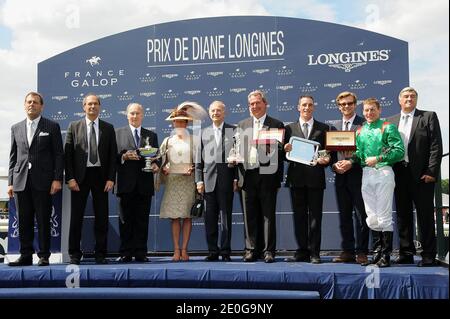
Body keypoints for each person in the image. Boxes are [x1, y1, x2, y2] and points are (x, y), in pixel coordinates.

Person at [7, 92, 64, 266]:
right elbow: (13, 157)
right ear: (25, 105)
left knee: (43, 219)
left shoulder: (52, 126)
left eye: (35, 102)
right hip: (20, 181)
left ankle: (44, 255)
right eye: (29, 102)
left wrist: (57, 179)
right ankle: (25, 255)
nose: (32, 104)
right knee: (23, 220)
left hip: (44, 181)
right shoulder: (16, 127)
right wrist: (10, 182)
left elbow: (58, 155)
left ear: (42, 106)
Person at [390, 87, 443, 267]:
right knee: (403, 216)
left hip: (422, 175)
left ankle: (428, 254)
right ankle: (406, 252)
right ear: (399, 100)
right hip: (398, 174)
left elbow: (436, 146)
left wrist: (431, 171)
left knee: (425, 216)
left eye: (413, 96)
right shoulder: (390, 121)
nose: (409, 98)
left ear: (417, 100)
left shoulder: (428, 116)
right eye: (405, 96)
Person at [65, 94, 117, 265]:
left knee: (102, 217)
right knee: (76, 217)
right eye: (89, 104)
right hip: (80, 178)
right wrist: (70, 178)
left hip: (101, 178)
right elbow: (68, 155)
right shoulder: (74, 126)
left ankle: (100, 254)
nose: (92, 107)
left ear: (100, 106)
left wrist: (111, 178)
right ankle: (74, 253)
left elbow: (112, 156)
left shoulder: (108, 128)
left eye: (95, 104)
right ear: (84, 107)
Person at [353, 98, 404, 267]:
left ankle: (386, 255)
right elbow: (359, 153)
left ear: (379, 110)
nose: (369, 113)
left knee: (384, 216)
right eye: (366, 110)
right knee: (372, 216)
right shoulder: (360, 131)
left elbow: (399, 151)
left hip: (383, 172)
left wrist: (380, 158)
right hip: (366, 174)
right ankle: (376, 253)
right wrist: (347, 160)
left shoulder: (387, 127)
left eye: (372, 109)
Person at [236, 90, 284, 263]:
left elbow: (280, 153)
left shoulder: (276, 124)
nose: (254, 106)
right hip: (246, 176)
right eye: (251, 104)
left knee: (268, 216)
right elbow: (237, 150)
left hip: (268, 176)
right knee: (249, 216)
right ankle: (251, 250)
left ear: (265, 104)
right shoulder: (242, 125)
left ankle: (269, 251)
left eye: (257, 103)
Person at [284, 95, 330, 264]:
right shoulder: (289, 129)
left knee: (315, 217)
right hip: (296, 179)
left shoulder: (324, 128)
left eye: (310, 105)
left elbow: (326, 153)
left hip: (316, 179)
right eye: (304, 105)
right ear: (298, 107)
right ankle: (302, 251)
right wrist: (285, 150)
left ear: (314, 107)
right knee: (299, 217)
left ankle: (315, 252)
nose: (307, 108)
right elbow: (285, 156)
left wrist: (326, 160)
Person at [115, 103, 159, 263]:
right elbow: (111, 157)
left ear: (143, 115)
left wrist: (156, 165)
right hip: (124, 184)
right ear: (127, 115)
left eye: (138, 113)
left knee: (142, 220)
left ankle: (141, 252)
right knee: (125, 220)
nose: (134, 116)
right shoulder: (117, 134)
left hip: (144, 184)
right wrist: (123, 157)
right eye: (132, 113)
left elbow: (157, 157)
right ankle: (125, 252)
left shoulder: (151, 135)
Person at [195, 101, 238, 262]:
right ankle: (213, 251)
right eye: (213, 110)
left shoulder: (233, 131)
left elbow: (239, 157)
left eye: (218, 110)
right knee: (210, 219)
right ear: (209, 113)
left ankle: (225, 251)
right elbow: (198, 161)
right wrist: (198, 181)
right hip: (208, 182)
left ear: (224, 112)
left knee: (226, 218)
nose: (215, 113)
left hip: (227, 181)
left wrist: (235, 178)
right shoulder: (203, 133)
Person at [159, 103, 203, 262]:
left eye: (183, 121)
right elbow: (161, 162)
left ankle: (185, 249)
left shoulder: (194, 141)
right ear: (173, 123)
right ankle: (176, 250)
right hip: (173, 182)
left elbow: (199, 162)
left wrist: (193, 169)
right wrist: (164, 169)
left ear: (187, 123)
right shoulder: (167, 141)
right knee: (175, 217)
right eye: (177, 121)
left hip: (188, 182)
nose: (179, 124)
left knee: (187, 216)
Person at [330, 92, 369, 266]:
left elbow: (368, 151)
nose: (346, 106)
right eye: (343, 104)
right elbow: (330, 153)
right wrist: (333, 165)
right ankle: (347, 251)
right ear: (338, 106)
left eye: (349, 103)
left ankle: (361, 252)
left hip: (360, 176)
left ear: (355, 104)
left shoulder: (364, 124)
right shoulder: (333, 126)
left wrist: (351, 162)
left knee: (361, 216)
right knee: (344, 215)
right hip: (340, 178)